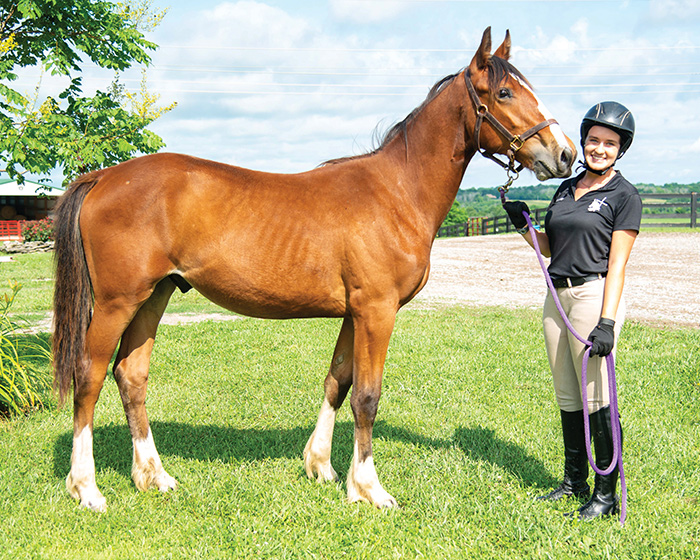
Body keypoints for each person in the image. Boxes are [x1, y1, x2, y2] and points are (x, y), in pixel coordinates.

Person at [504, 101, 642, 521]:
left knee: (596, 398)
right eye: (594, 140)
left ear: (621, 149)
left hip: (591, 297)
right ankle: (573, 482)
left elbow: (617, 264)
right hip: (556, 298)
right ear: (584, 141)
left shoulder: (624, 195)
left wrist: (606, 321)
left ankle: (605, 495)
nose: (599, 148)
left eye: (609, 143)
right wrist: (524, 226)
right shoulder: (566, 189)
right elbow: (550, 247)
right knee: (567, 394)